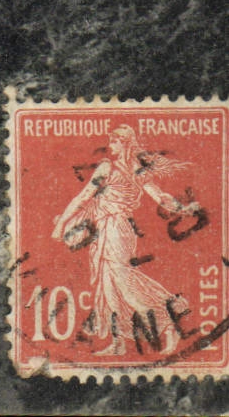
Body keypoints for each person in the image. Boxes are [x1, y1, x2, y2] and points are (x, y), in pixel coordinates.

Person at [50, 125, 201, 356]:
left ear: (124, 143)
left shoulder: (111, 168)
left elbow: (86, 197)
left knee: (124, 283)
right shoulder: (133, 169)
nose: (110, 145)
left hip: (116, 229)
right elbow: (86, 196)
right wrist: (183, 209)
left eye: (114, 141)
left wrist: (62, 224)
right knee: (109, 288)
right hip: (104, 230)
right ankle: (118, 342)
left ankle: (169, 324)